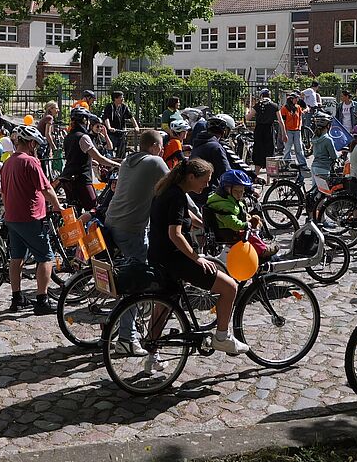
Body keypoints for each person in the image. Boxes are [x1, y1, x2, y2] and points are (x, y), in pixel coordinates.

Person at [147, 157, 248, 356]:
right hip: (175, 259)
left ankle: (152, 354)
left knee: (162, 308)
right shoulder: (176, 196)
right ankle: (222, 337)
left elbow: (185, 215)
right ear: (191, 177)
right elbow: (175, 234)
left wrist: (206, 225)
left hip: (158, 256)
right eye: (205, 179)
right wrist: (197, 258)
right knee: (230, 287)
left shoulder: (168, 190)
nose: (208, 184)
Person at [102, 129, 169, 353]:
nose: (162, 150)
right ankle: (126, 339)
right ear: (153, 147)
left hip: (112, 223)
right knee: (137, 282)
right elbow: (173, 189)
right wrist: (195, 211)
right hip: (131, 229)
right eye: (161, 146)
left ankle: (119, 324)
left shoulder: (127, 162)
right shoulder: (155, 162)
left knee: (128, 272)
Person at [0, 124, 63, 315]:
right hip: (31, 217)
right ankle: (42, 300)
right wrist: (58, 206)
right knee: (46, 257)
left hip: (12, 216)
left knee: (16, 257)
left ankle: (17, 298)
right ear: (32, 143)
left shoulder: (8, 163)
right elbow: (46, 188)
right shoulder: (31, 162)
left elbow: (4, 193)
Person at [57, 108, 118, 211]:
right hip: (81, 178)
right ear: (85, 121)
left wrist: (90, 160)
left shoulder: (69, 136)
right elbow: (99, 158)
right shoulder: (83, 137)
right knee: (94, 210)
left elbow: (75, 156)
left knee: (75, 211)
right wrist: (117, 165)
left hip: (67, 177)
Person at [205, 168, 268, 258]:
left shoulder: (228, 199)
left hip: (229, 230)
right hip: (230, 233)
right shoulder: (224, 205)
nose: (239, 194)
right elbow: (231, 222)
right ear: (226, 189)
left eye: (241, 191)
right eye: (236, 191)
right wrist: (245, 225)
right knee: (252, 237)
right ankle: (262, 251)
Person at [188, 113, 239, 197]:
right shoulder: (216, 147)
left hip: (194, 191)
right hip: (207, 192)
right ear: (224, 131)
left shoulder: (199, 142)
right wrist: (249, 188)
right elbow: (226, 173)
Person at [250, 88, 281, 175]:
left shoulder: (257, 105)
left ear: (261, 95)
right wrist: (284, 134)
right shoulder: (274, 106)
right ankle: (269, 177)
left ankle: (256, 174)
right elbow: (280, 121)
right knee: (269, 152)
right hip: (269, 130)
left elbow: (248, 117)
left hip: (259, 130)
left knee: (258, 151)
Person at [308, 113, 339, 191]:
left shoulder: (314, 137)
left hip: (314, 166)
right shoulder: (328, 139)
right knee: (323, 193)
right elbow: (334, 156)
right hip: (323, 168)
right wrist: (339, 153)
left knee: (315, 192)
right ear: (328, 125)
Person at [101, 90, 136, 157]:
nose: (123, 99)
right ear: (115, 98)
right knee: (110, 150)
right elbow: (106, 118)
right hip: (112, 133)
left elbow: (131, 117)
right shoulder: (109, 107)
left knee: (122, 151)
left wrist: (136, 126)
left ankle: (120, 163)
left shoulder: (124, 107)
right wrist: (109, 127)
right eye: (121, 97)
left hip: (121, 132)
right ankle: (109, 163)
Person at [279, 93, 307, 172]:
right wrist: (283, 133)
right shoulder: (284, 108)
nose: (297, 100)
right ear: (291, 99)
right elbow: (283, 121)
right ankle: (287, 165)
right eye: (295, 98)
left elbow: (301, 116)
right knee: (287, 148)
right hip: (288, 131)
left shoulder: (297, 107)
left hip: (297, 130)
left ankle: (302, 164)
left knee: (299, 148)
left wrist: (299, 127)